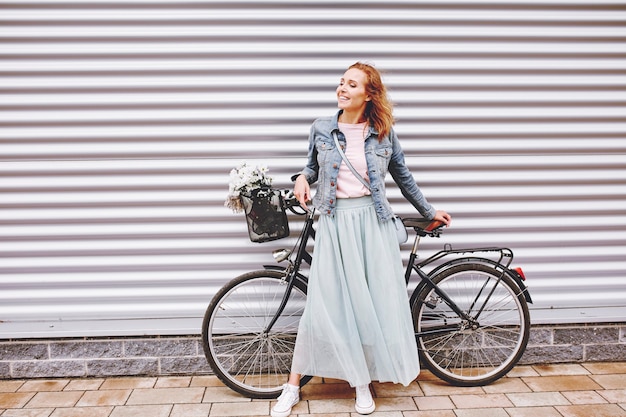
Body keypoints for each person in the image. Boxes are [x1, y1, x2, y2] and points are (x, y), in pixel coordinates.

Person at [271, 62, 452, 417]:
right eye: (341, 82)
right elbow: (311, 167)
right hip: (336, 225)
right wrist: (302, 180)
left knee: (366, 308)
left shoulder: (383, 133)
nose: (342, 88)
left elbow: (403, 177)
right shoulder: (321, 128)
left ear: (369, 94)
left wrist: (429, 210)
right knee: (321, 306)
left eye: (351, 84)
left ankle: (361, 385)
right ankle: (292, 387)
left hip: (372, 224)